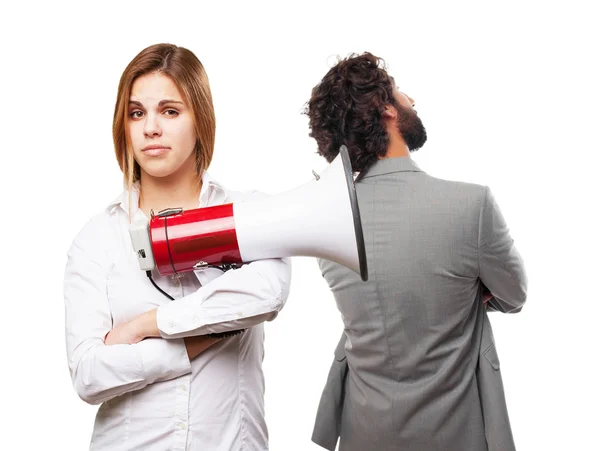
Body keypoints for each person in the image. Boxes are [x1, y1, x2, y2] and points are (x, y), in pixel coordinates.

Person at [63, 43, 291, 451]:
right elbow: (89, 374)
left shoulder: (251, 215)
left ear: (200, 120)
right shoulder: (98, 238)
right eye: (137, 113)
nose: (151, 128)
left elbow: (265, 295)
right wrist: (189, 345)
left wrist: (141, 327)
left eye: (170, 111)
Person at [304, 52, 527, 451]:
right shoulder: (470, 205)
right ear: (386, 109)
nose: (411, 100)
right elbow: (514, 295)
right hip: (455, 434)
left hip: (361, 432)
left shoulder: (327, 225)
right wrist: (466, 293)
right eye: (400, 93)